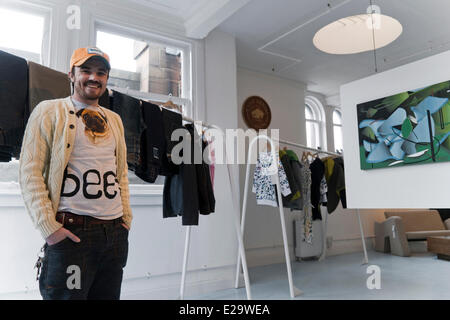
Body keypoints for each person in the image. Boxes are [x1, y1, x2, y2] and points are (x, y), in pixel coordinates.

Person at [18, 47, 132, 300]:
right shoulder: (49, 111)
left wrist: (126, 220)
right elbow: (30, 172)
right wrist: (49, 228)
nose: (94, 77)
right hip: (72, 233)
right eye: (86, 70)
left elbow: (120, 173)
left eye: (101, 72)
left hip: (114, 234)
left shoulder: (114, 119)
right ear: (71, 74)